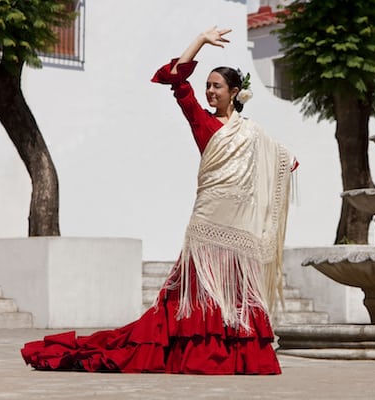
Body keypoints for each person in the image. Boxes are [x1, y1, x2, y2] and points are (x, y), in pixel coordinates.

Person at [20, 27, 297, 375]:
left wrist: (285, 165)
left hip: (239, 226)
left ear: (235, 92)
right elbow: (177, 80)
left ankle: (238, 356)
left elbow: (282, 159)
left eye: (216, 86)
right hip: (208, 223)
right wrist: (199, 40)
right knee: (198, 291)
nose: (209, 91)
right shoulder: (201, 119)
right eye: (208, 86)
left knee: (236, 292)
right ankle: (198, 355)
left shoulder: (252, 132)